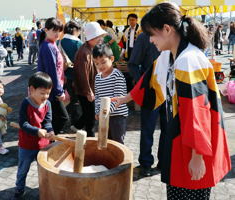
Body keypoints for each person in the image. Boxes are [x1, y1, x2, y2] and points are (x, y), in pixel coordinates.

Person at [113, 3, 231, 199]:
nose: (150, 40)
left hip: (193, 143)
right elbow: (150, 78)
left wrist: (197, 155)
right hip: (182, 136)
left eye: (152, 34)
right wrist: (126, 98)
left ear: (167, 29)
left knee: (189, 191)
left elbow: (197, 110)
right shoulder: (170, 55)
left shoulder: (188, 60)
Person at [127, 32, 165, 177]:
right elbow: (133, 64)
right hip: (151, 91)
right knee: (148, 129)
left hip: (170, 91)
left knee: (168, 128)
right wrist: (143, 82)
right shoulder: (145, 37)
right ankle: (146, 163)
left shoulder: (174, 36)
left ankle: (164, 161)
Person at [14, 72, 54, 198]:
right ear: (31, 90)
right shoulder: (26, 103)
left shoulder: (47, 104)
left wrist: (50, 131)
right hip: (26, 145)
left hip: (43, 145)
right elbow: (23, 124)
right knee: (22, 170)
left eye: (48, 93)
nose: (46, 96)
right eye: (42, 93)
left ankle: (44, 189)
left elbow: (47, 122)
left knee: (43, 170)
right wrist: (37, 131)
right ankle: (19, 189)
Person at [71, 22, 107, 137]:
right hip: (86, 90)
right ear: (92, 38)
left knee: (88, 113)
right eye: (98, 37)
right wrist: (89, 91)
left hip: (89, 88)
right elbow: (82, 75)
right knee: (90, 116)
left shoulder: (89, 49)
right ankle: (90, 138)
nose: (100, 39)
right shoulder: (84, 53)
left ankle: (76, 126)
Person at [37, 17, 70, 134]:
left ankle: (50, 141)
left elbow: (56, 68)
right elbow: (52, 71)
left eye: (59, 31)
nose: (57, 33)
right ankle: (50, 141)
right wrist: (59, 91)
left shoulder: (51, 44)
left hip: (51, 88)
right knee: (61, 118)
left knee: (54, 118)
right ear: (46, 30)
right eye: (54, 30)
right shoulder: (48, 46)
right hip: (50, 90)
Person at [93, 44, 128, 144]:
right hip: (104, 116)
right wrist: (97, 112)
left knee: (118, 142)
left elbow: (118, 98)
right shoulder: (98, 77)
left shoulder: (117, 75)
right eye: (97, 63)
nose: (100, 66)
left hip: (118, 116)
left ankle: (123, 160)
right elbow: (98, 97)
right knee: (105, 141)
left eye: (103, 62)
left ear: (111, 59)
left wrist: (104, 112)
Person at [60, 20, 83, 125]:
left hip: (64, 75)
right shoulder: (78, 43)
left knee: (70, 98)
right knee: (77, 100)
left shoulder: (60, 42)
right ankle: (76, 123)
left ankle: (69, 118)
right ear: (75, 30)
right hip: (78, 75)